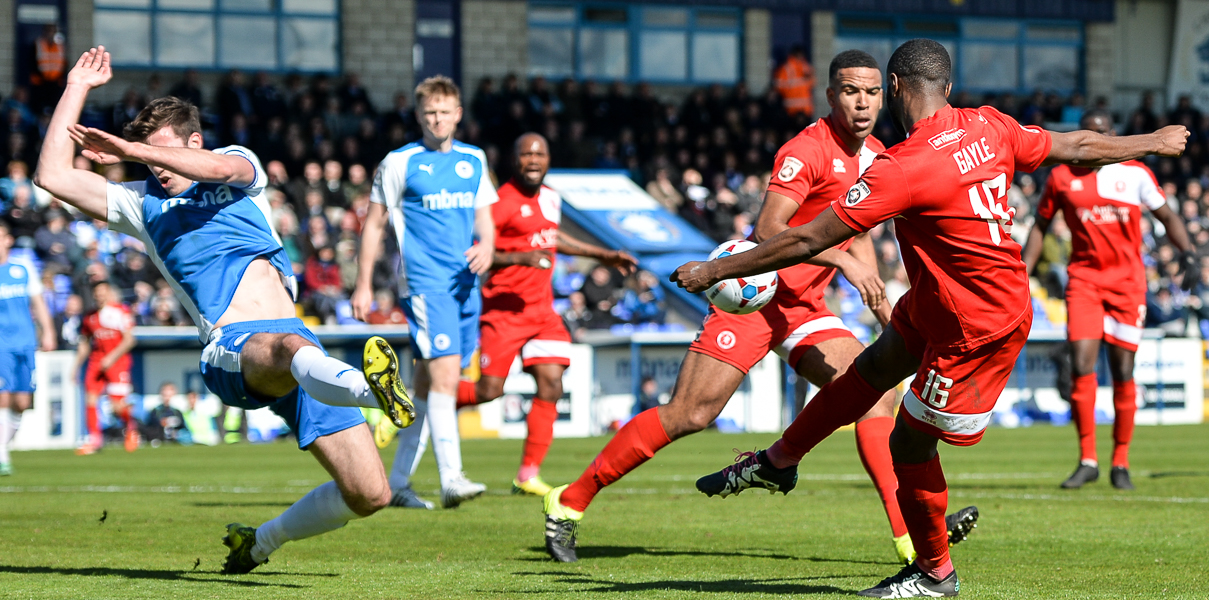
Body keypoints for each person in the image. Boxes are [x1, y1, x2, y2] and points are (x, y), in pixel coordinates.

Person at [672, 39, 1188, 597]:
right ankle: (779, 460)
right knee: (872, 368)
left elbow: (804, 238)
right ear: (948, 86)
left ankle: (934, 572)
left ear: (894, 87)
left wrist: (715, 270)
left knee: (909, 445)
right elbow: (1077, 145)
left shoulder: (903, 166)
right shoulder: (989, 124)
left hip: (977, 323)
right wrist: (1151, 142)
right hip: (945, 297)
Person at [542, 50, 970, 566]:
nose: (862, 103)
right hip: (753, 300)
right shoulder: (806, 149)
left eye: (872, 92)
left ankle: (908, 538)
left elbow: (857, 233)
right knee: (691, 414)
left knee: (876, 400)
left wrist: (881, 303)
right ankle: (568, 500)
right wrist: (842, 261)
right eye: (850, 91)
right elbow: (768, 228)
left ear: (886, 95)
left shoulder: (878, 155)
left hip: (806, 308)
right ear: (830, 96)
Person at [34, 47, 416, 574]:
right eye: (146, 157)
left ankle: (257, 543)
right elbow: (51, 175)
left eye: (161, 153)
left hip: (298, 348)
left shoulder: (239, 165)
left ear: (193, 141)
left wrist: (129, 149)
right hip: (232, 348)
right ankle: (374, 392)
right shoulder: (140, 203)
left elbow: (216, 167)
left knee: (369, 493)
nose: (153, 165)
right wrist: (76, 87)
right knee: (290, 347)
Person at [1021, 111, 1195, 491]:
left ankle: (1121, 461)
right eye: (1089, 133)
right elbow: (1040, 226)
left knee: (1123, 370)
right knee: (1082, 363)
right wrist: (1022, 273)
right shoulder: (1061, 177)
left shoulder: (1135, 174)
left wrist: (1189, 253)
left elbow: (1168, 216)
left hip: (1127, 285)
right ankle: (1088, 459)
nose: (1096, 138)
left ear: (1113, 135)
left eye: (1101, 132)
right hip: (1084, 282)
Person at [456, 132, 636, 497]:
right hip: (504, 311)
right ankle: (422, 396)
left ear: (549, 159)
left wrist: (602, 255)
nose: (534, 160)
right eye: (526, 154)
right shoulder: (500, 202)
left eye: (540, 154)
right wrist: (520, 257)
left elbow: (552, 239)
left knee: (552, 384)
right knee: (489, 391)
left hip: (542, 312)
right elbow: (476, 252)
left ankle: (528, 475)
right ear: (515, 159)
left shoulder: (551, 198)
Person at [352, 75, 497, 510]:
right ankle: (451, 477)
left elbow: (484, 217)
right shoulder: (399, 162)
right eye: (430, 113)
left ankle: (397, 482)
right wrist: (363, 283)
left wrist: (487, 246)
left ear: (458, 114)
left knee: (424, 384)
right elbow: (374, 224)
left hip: (465, 284)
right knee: (446, 377)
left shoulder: (474, 159)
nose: (437, 120)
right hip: (425, 283)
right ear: (418, 115)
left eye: (444, 112)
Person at [0, 222, 56, 475]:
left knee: (22, 401)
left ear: (8, 240)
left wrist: (48, 331)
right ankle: (2, 455)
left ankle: (2, 447)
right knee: (2, 396)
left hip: (25, 342)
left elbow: (38, 302)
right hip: (2, 344)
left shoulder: (22, 269)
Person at [75, 279, 137, 454]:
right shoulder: (90, 317)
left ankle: (131, 428)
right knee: (90, 399)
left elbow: (130, 340)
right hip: (96, 361)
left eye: (103, 292)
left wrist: (111, 358)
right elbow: (85, 343)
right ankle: (95, 440)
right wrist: (75, 367)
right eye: (97, 293)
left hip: (117, 362)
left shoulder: (120, 312)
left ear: (108, 293)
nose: (99, 296)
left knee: (117, 406)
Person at [774, 45, 815, 118]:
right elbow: (778, 86)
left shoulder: (806, 67)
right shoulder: (786, 68)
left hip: (805, 109)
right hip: (790, 110)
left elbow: (813, 82)